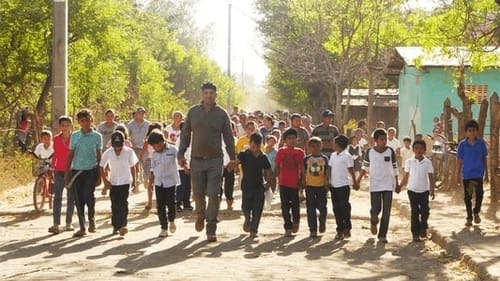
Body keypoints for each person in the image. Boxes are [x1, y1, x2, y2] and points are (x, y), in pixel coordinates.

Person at [177, 82, 236, 242]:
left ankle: (211, 227)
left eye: (211, 93)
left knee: (213, 194)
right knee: (198, 194)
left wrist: (233, 157)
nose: (209, 96)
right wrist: (181, 154)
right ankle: (200, 214)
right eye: (206, 93)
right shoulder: (193, 112)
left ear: (215, 95)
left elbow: (229, 137)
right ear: (202, 94)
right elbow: (185, 134)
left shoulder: (222, 114)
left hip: (215, 160)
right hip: (196, 160)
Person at [355, 128, 398, 243]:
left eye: (385, 139)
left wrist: (397, 183)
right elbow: (365, 168)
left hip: (388, 184)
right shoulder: (370, 152)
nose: (384, 141)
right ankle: (373, 220)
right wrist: (357, 181)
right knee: (376, 208)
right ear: (376, 140)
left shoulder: (390, 151)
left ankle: (382, 235)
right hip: (375, 184)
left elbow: (394, 167)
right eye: (381, 139)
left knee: (387, 211)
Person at [65, 109, 102, 238]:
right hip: (77, 172)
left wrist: (100, 173)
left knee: (88, 196)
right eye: (82, 121)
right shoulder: (75, 136)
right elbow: (70, 155)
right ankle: (82, 227)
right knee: (78, 199)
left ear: (91, 120)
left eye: (87, 120)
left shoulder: (97, 136)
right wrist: (67, 172)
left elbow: (99, 155)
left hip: (91, 170)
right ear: (78, 122)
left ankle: (92, 220)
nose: (85, 123)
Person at [99, 131, 138, 236]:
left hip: (125, 181)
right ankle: (115, 226)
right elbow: (101, 166)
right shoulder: (108, 152)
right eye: (115, 146)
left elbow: (132, 166)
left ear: (123, 143)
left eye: (119, 146)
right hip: (114, 182)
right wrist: (105, 181)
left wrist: (134, 180)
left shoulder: (129, 152)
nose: (117, 149)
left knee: (123, 203)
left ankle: (123, 225)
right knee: (115, 204)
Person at [397, 139, 436, 242]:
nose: (419, 150)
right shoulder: (409, 162)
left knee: (425, 211)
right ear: (413, 150)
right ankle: (415, 233)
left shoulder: (427, 162)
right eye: (416, 148)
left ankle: (423, 227)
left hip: (424, 191)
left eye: (421, 148)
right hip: (412, 190)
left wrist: (432, 189)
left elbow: (431, 176)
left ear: (424, 150)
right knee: (415, 212)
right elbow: (406, 176)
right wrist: (400, 186)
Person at [237, 133, 274, 238]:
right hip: (246, 186)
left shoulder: (263, 157)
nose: (255, 149)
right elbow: (237, 162)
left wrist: (268, 182)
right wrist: (232, 165)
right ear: (249, 144)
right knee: (245, 206)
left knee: (258, 209)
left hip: (259, 186)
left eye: (257, 146)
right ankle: (247, 218)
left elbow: (268, 171)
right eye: (253, 146)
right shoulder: (244, 154)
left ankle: (254, 229)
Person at [148, 129, 180, 238]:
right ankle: (164, 227)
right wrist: (151, 182)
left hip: (170, 181)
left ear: (161, 142)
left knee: (171, 204)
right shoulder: (154, 154)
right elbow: (152, 168)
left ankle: (171, 220)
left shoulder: (172, 149)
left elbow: (180, 158)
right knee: (160, 206)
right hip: (159, 182)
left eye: (155, 145)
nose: (154, 148)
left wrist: (184, 165)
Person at [456, 119, 489, 227]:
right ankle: (469, 217)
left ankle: (476, 212)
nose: (472, 132)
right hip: (467, 176)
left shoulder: (481, 143)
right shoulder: (462, 145)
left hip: (478, 175)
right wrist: (457, 175)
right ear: (466, 132)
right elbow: (460, 161)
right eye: (469, 130)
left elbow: (484, 158)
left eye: (474, 130)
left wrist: (487, 174)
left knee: (480, 195)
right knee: (468, 196)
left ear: (477, 131)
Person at [274, 128, 305, 237]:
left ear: (297, 139)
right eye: (289, 138)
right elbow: (277, 166)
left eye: (293, 138)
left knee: (295, 205)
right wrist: (273, 179)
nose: (291, 140)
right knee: (285, 206)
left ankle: (296, 221)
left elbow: (302, 167)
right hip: (283, 183)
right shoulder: (281, 151)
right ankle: (287, 226)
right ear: (284, 140)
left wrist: (303, 180)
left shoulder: (300, 152)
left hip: (295, 183)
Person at [327, 135, 359, 240]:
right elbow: (330, 168)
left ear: (338, 144)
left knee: (344, 206)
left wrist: (355, 182)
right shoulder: (332, 155)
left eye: (334, 142)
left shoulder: (347, 156)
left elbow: (351, 170)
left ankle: (347, 226)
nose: (332, 144)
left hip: (344, 185)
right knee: (336, 208)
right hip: (334, 185)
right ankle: (339, 229)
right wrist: (328, 181)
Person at [48, 116, 75, 234]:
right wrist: (52, 167)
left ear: (71, 126)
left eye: (67, 125)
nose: (65, 128)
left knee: (71, 197)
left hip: (72, 170)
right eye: (62, 125)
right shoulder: (56, 139)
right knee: (57, 197)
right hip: (59, 171)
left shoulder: (75, 138)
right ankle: (56, 224)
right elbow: (56, 154)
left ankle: (68, 222)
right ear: (60, 127)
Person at [302, 137, 329, 238]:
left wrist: (326, 182)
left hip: (321, 187)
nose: (315, 148)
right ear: (309, 147)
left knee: (322, 207)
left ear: (321, 146)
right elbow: (303, 171)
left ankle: (322, 221)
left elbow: (327, 171)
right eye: (313, 146)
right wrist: (303, 182)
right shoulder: (306, 159)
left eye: (318, 146)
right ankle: (312, 229)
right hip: (310, 187)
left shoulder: (325, 158)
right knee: (310, 208)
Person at [127, 106, 151, 190]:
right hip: (134, 148)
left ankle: (146, 179)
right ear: (136, 114)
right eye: (139, 113)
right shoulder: (130, 124)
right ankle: (136, 183)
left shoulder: (148, 124)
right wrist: (130, 142)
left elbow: (150, 135)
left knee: (146, 165)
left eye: (142, 113)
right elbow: (127, 135)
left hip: (145, 148)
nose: (141, 115)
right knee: (135, 165)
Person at [140, 122, 163, 210]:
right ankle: (150, 201)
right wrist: (139, 161)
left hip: (157, 160)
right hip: (151, 161)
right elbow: (142, 151)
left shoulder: (162, 140)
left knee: (153, 182)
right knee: (152, 182)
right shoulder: (148, 140)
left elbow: (142, 152)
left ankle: (153, 201)